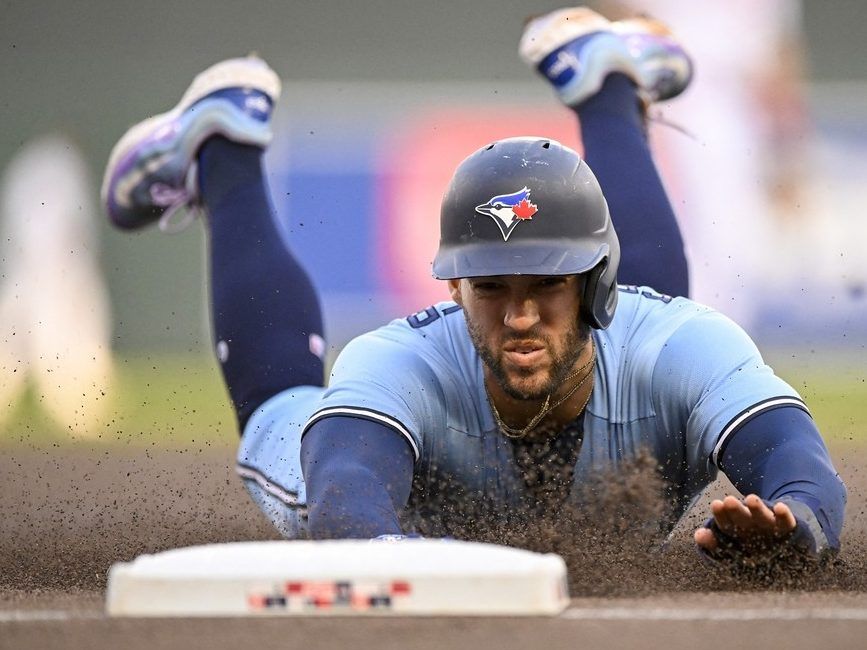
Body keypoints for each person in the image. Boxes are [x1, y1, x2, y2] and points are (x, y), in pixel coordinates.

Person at [102, 6, 845, 569]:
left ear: (593, 284)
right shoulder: (398, 364)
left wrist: (796, 526)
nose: (519, 314)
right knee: (281, 416)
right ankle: (225, 150)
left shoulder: (684, 344)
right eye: (490, 287)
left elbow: (802, 471)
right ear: (453, 288)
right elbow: (345, 507)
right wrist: (405, 566)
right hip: (409, 516)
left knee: (663, 320)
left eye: (549, 286)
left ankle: (606, 88)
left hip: (632, 332)